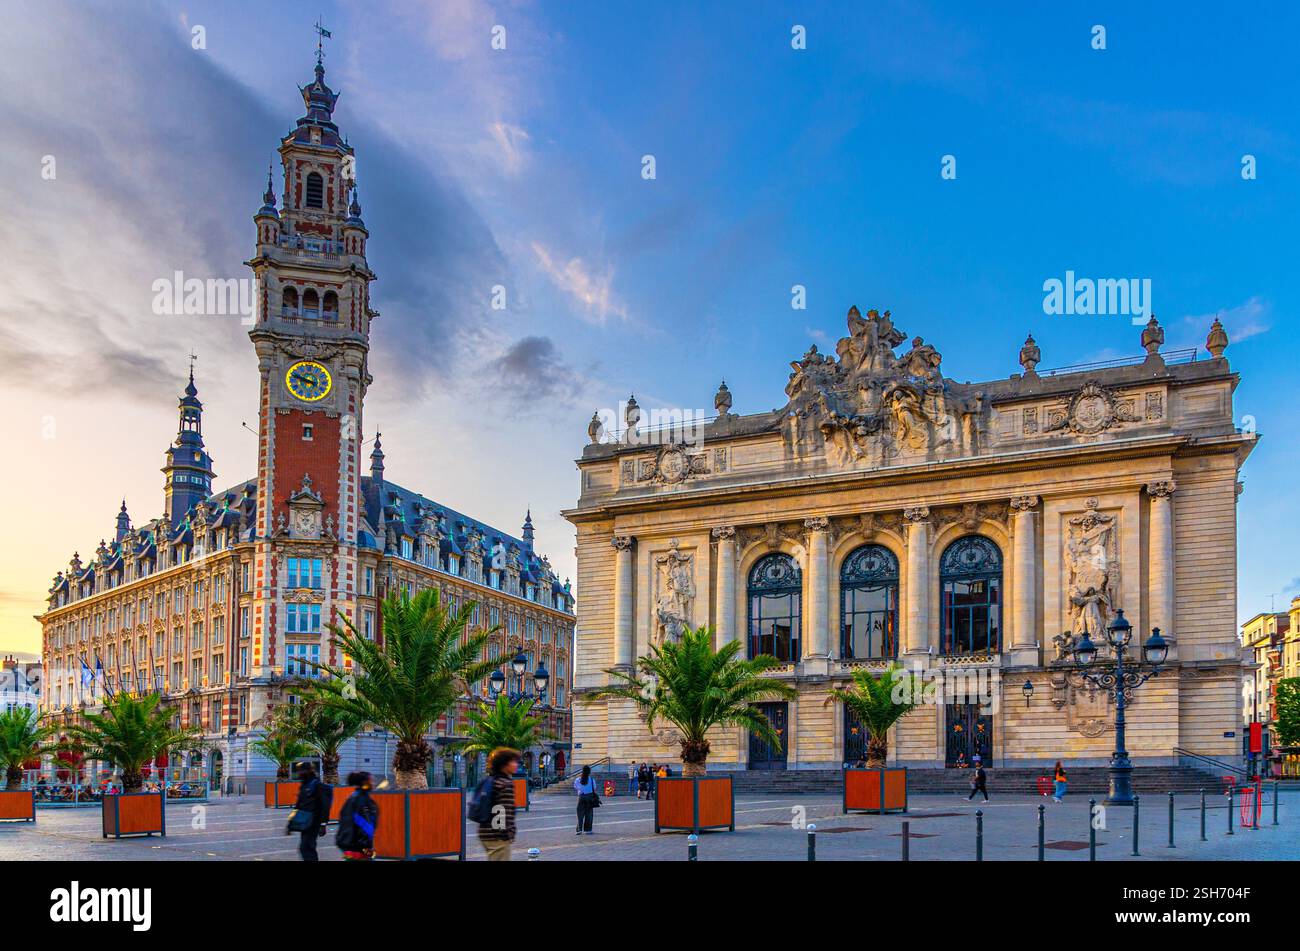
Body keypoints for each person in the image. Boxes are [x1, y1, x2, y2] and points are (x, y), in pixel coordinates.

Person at [476, 747, 519, 862]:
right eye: (513, 761)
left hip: (485, 833)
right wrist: (507, 834)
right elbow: (501, 811)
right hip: (497, 837)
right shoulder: (505, 784)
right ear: (504, 765)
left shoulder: (490, 780)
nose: (516, 765)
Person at [336, 771, 379, 860]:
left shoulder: (356, 797)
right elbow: (364, 825)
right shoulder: (361, 800)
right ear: (364, 783)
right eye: (371, 781)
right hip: (357, 846)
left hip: (352, 844)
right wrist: (366, 845)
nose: (373, 783)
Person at [291, 762, 329, 861]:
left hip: (314, 822)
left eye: (300, 770)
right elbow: (298, 805)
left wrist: (323, 824)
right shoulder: (304, 785)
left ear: (308, 771)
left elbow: (324, 806)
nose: (298, 773)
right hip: (305, 822)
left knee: (307, 847)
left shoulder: (317, 785)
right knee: (305, 847)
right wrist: (291, 822)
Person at [574, 764, 599, 835]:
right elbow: (594, 787)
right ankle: (588, 829)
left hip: (581, 796)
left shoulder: (578, 779)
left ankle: (579, 829)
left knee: (580, 814)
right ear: (589, 772)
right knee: (589, 813)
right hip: (590, 797)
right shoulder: (591, 779)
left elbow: (576, 787)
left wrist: (582, 789)